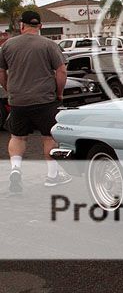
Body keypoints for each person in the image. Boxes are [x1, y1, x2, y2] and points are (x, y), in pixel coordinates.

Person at [0, 11, 70, 193]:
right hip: (45, 100)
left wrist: (10, 90)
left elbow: (1, 73)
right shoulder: (49, 45)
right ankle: (52, 177)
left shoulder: (7, 45)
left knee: (17, 137)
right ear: (40, 26)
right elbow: (61, 72)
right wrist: (59, 93)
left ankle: (16, 169)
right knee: (49, 136)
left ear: (22, 25)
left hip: (18, 101)